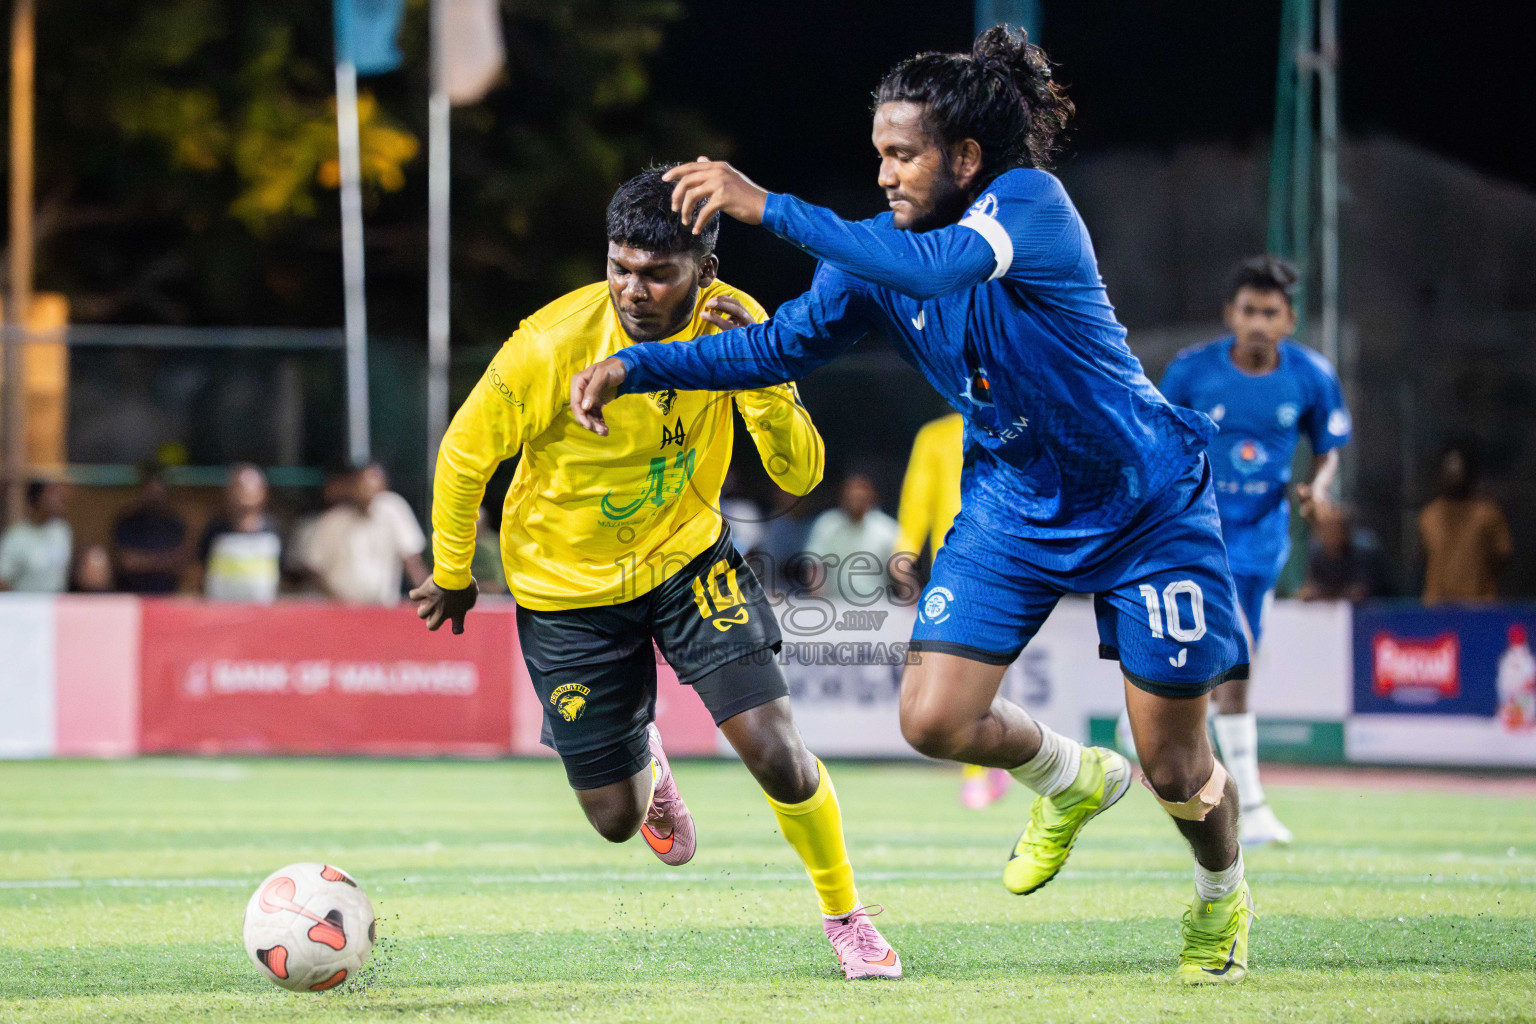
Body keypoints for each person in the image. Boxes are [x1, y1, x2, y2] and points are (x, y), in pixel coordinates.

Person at [573, 28, 1256, 984]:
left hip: (1144, 504)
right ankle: (1072, 778)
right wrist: (640, 365)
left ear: (965, 159)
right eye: (880, 154)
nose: (886, 174)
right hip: (1015, 502)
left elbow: (941, 272)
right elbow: (773, 352)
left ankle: (1222, 900)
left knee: (1178, 767)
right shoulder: (871, 258)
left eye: (904, 155)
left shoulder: (1029, 205)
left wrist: (765, 206)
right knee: (933, 719)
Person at [412, 168, 901, 980]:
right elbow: (465, 459)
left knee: (775, 750)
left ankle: (846, 918)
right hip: (566, 593)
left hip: (686, 561)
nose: (633, 290)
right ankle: (644, 751)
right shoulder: (547, 344)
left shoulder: (729, 326)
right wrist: (454, 571)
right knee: (613, 818)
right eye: (620, 267)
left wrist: (769, 365)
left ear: (703, 270)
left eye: (656, 272)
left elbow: (802, 472)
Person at [1157, 255, 1351, 847]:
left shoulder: (1311, 376)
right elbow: (1161, 442)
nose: (1259, 322)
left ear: (1289, 320)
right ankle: (1253, 803)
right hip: (1197, 536)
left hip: (1263, 543)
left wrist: (1316, 490)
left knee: (1231, 669)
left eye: (1271, 312)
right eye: (1249, 311)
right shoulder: (1192, 373)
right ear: (1230, 315)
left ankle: (1164, 732)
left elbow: (1327, 448)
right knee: (1233, 669)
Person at [895, 412, 1011, 809]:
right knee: (961, 665)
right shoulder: (937, 434)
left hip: (1006, 556)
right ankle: (978, 770)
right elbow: (918, 494)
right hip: (956, 561)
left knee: (986, 666)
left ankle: (992, 760)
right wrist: (905, 550)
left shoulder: (1009, 425)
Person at [300, 463, 428, 605]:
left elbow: (412, 561)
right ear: (352, 487)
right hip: (342, 610)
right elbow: (314, 568)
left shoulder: (393, 510)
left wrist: (425, 594)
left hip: (383, 609)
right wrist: (337, 600)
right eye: (362, 487)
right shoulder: (334, 520)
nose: (367, 493)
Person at [1419, 442, 1511, 604]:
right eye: (1449, 467)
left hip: (1479, 609)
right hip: (1437, 610)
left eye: (1459, 467)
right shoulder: (1429, 516)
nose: (1453, 473)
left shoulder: (1488, 515)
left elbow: (1502, 557)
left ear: (1469, 473)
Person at [803, 472, 899, 601]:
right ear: (842, 496)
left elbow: (899, 568)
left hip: (878, 606)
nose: (856, 499)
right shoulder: (827, 524)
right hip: (835, 605)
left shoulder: (887, 528)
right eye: (851, 496)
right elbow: (815, 565)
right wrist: (816, 597)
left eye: (861, 496)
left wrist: (910, 596)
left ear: (872, 496)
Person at [195, 463, 283, 603]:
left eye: (252, 486)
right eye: (239, 486)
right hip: (221, 614)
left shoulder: (273, 530)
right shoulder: (216, 530)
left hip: (262, 615)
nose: (245, 492)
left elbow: (282, 574)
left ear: (263, 491)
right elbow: (199, 568)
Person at [111, 465, 189, 593]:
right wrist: (163, 561)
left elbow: (181, 562)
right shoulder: (128, 521)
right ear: (142, 490)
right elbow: (126, 561)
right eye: (150, 488)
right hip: (130, 594)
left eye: (158, 489)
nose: (154, 493)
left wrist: (143, 561)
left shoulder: (175, 523)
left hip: (167, 596)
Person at [1297, 503, 1389, 602]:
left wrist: (1325, 595)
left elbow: (1358, 593)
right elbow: (1307, 590)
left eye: (1333, 528)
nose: (1328, 533)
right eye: (1325, 528)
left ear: (1345, 532)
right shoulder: (1318, 557)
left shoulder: (1363, 555)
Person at [0, 481, 72, 593]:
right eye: (53, 492)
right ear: (37, 498)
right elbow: (3, 579)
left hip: (57, 605)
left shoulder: (61, 530)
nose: (59, 498)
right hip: (28, 606)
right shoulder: (16, 537)